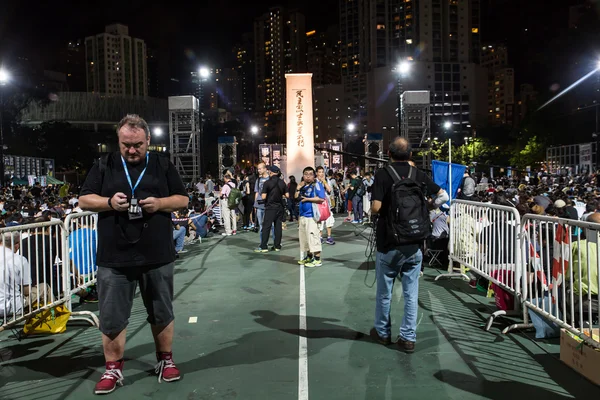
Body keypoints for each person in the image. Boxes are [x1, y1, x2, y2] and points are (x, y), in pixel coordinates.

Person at [79, 114, 188, 395]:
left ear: (148, 141)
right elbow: (84, 199)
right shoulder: (104, 164)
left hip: (157, 252)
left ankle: (165, 360)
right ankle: (113, 368)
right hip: (114, 256)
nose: (131, 150)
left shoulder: (162, 163)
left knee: (161, 311)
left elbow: (183, 198)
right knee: (112, 316)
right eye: (126, 144)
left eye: (137, 144)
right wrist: (108, 202)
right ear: (118, 141)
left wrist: (161, 203)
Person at [370, 138, 448, 353]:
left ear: (388, 153)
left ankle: (383, 333)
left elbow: (376, 207)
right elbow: (443, 195)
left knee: (385, 292)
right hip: (415, 242)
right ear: (411, 155)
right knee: (411, 293)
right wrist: (428, 206)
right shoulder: (418, 175)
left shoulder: (382, 174)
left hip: (389, 242)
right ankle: (408, 338)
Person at [296, 167, 327, 268]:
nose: (308, 176)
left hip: (312, 216)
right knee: (305, 238)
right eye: (306, 174)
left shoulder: (316, 184)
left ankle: (317, 259)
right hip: (303, 216)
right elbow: (295, 197)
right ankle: (309, 256)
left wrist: (307, 199)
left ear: (314, 176)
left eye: (310, 174)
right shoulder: (303, 185)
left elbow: (321, 198)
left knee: (313, 237)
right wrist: (298, 188)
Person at [255, 166, 287, 252]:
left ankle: (264, 246)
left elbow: (263, 196)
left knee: (266, 226)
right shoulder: (282, 183)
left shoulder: (267, 183)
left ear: (271, 172)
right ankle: (277, 246)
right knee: (278, 226)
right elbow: (287, 195)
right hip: (279, 207)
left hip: (270, 207)